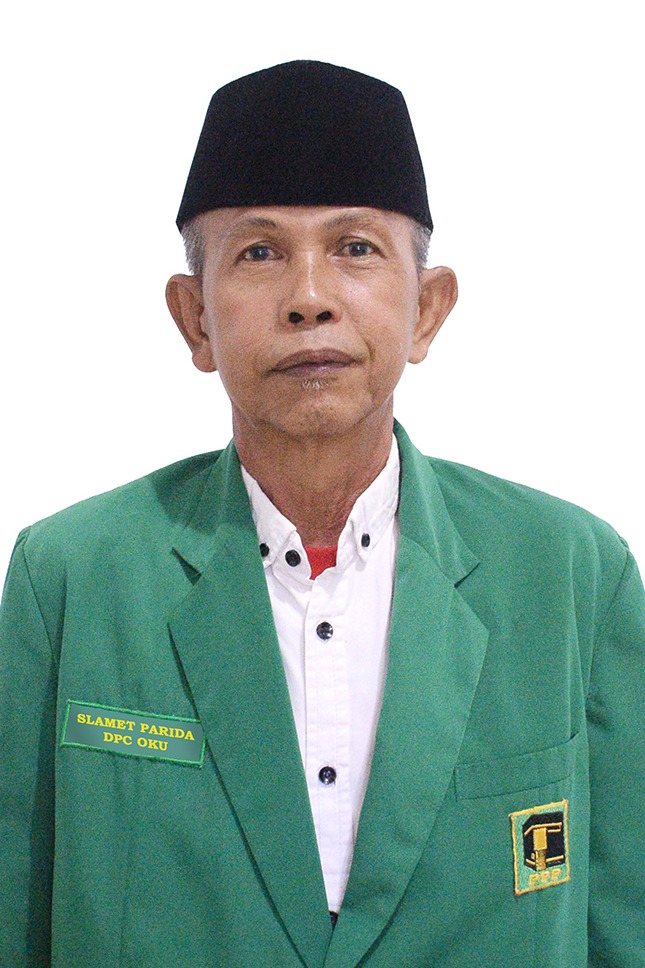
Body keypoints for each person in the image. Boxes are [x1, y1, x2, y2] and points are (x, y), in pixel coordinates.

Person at [1, 60, 643, 968]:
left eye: (356, 248)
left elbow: (623, 921)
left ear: (427, 309)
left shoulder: (569, 572)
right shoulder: (71, 576)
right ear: (194, 320)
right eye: (259, 253)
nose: (309, 296)